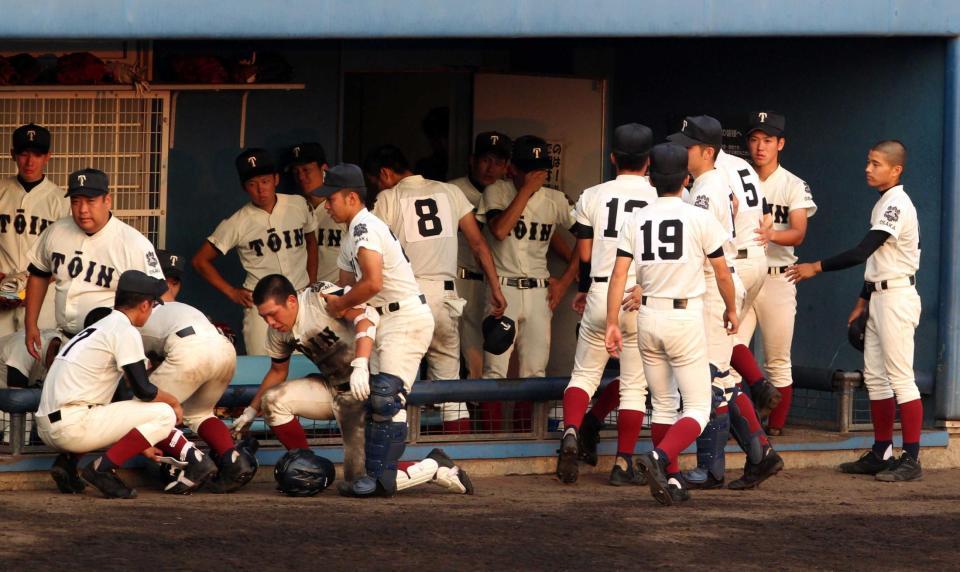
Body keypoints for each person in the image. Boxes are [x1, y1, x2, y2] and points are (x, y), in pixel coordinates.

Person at [231, 274, 473, 496]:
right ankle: (308, 467)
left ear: (291, 301)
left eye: (273, 314)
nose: (270, 322)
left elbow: (366, 316)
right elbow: (277, 371)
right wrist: (251, 410)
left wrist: (361, 364)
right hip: (333, 388)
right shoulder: (278, 332)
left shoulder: (319, 297)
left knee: (361, 483)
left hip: (365, 389)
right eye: (264, 317)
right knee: (273, 401)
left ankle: (434, 466)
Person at [605, 142, 738, 505]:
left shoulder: (636, 218)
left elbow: (619, 275)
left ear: (652, 178)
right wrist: (731, 309)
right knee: (698, 408)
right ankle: (660, 457)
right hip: (683, 317)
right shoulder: (698, 217)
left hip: (647, 316)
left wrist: (612, 321)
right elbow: (722, 273)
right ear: (685, 179)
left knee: (663, 404)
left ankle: (673, 479)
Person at [787, 140, 923, 482]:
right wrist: (863, 300)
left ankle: (911, 458)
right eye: (868, 162)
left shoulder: (897, 203)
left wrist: (815, 267)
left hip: (897, 297)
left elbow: (863, 252)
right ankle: (881, 452)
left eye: (876, 163)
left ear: (896, 170)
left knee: (901, 378)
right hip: (880, 295)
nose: (868, 168)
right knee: (875, 378)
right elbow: (878, 259)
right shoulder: (884, 201)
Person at [36, 270, 216, 499]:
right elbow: (144, 390)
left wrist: (142, 442)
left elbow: (121, 401)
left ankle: (68, 465)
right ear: (144, 305)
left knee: (106, 406)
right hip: (72, 425)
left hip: (50, 424)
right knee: (164, 412)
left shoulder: (100, 326)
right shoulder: (124, 330)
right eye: (152, 305)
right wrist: (174, 403)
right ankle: (102, 470)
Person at [313, 163, 435, 497]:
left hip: (404, 317)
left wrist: (339, 305)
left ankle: (381, 480)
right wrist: (330, 301)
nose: (326, 205)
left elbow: (372, 283)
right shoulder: (351, 233)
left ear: (352, 197)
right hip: (381, 320)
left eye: (331, 198)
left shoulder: (365, 227)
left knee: (385, 398)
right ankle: (416, 471)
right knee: (373, 402)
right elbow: (346, 287)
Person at [366, 144, 506, 433]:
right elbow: (478, 244)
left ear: (385, 173)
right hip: (444, 297)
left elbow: (372, 252)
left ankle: (395, 450)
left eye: (376, 180)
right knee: (449, 385)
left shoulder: (388, 197)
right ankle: (457, 451)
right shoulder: (450, 192)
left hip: (406, 299)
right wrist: (495, 287)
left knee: (390, 383)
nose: (378, 186)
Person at [557, 123, 659, 485]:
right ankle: (622, 464)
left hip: (602, 290)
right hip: (641, 295)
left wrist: (584, 288)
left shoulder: (592, 194)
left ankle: (571, 431)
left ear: (613, 158)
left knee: (584, 375)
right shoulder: (659, 196)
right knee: (634, 387)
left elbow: (585, 254)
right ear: (648, 161)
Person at [476, 135, 578, 430]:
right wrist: (526, 191)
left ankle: (528, 439)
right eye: (529, 169)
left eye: (540, 169)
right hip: (502, 290)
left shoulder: (556, 199)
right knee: (494, 369)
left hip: (538, 291)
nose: (536, 175)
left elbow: (590, 239)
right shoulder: (496, 191)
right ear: (513, 169)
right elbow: (499, 230)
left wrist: (565, 281)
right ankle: (490, 439)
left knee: (535, 371)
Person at [139, 250, 254, 493]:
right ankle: (233, 460)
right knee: (199, 412)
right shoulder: (185, 308)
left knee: (142, 411)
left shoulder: (140, 310)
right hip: (224, 351)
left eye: (174, 281)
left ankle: (195, 462)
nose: (170, 286)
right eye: (166, 281)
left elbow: (137, 378)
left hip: (191, 351)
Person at [24, 168, 164, 358]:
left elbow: (159, 299)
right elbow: (39, 274)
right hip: (65, 340)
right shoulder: (56, 231)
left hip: (110, 346)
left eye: (90, 201)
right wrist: (30, 324)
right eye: (75, 201)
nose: (82, 210)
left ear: (107, 200)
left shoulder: (133, 243)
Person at [192, 148, 319, 355]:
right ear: (244, 188)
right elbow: (200, 260)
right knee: (263, 364)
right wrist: (231, 292)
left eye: (265, 181)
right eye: (252, 184)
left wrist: (312, 282)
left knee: (307, 363)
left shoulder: (298, 204)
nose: (261, 189)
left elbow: (311, 242)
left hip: (300, 298)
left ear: (276, 179)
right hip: (261, 306)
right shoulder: (237, 222)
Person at [741, 111, 817, 434]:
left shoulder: (793, 184)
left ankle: (775, 429)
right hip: (743, 274)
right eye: (755, 139)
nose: (760, 147)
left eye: (768, 140)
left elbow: (799, 233)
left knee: (778, 360)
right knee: (729, 353)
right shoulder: (738, 179)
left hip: (778, 276)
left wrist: (771, 234)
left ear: (780, 144)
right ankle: (741, 423)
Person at [448, 131, 512, 380]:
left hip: (489, 283)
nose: (490, 168)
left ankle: (474, 403)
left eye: (498, 162)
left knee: (481, 356)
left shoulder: (509, 195)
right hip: (456, 277)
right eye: (486, 160)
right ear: (472, 160)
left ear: (506, 166)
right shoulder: (452, 190)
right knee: (447, 351)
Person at [0, 123, 69, 335]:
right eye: (24, 153)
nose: (30, 162)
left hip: (43, 298)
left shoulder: (61, 201)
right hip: (1, 291)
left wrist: (36, 284)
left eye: (37, 154)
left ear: (48, 156)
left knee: (38, 352)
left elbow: (66, 255)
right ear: (13, 154)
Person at [286, 142, 344, 282]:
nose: (301, 177)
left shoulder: (344, 208)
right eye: (296, 172)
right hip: (303, 290)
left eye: (306, 170)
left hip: (338, 290)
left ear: (324, 170)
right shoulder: (294, 211)